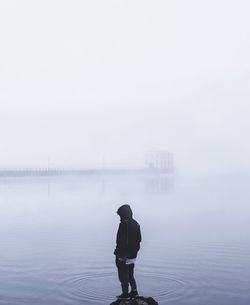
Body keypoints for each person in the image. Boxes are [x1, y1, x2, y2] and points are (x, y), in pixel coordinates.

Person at [114, 204, 141, 300]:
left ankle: (125, 294)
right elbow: (139, 240)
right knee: (130, 274)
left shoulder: (124, 224)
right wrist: (133, 254)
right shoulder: (136, 223)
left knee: (122, 275)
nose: (119, 217)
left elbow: (123, 241)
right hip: (133, 255)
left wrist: (123, 255)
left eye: (120, 215)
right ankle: (134, 292)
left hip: (123, 255)